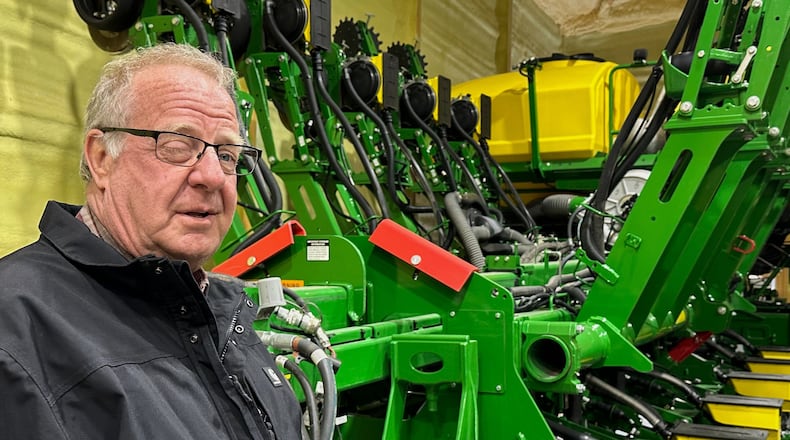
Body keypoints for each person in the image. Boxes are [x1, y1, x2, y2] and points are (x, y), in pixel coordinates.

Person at [0, 43, 303, 439]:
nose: (212, 177)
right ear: (101, 157)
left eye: (227, 155)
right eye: (178, 146)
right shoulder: (16, 328)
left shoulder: (223, 310)